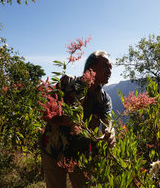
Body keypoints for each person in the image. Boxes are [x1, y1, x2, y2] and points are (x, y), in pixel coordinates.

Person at [40, 51, 115, 188]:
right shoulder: (68, 83)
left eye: (111, 67)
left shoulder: (105, 99)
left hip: (81, 155)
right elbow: (45, 113)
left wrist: (109, 132)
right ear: (91, 68)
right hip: (53, 150)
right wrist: (66, 120)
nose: (110, 70)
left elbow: (107, 121)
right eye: (106, 66)